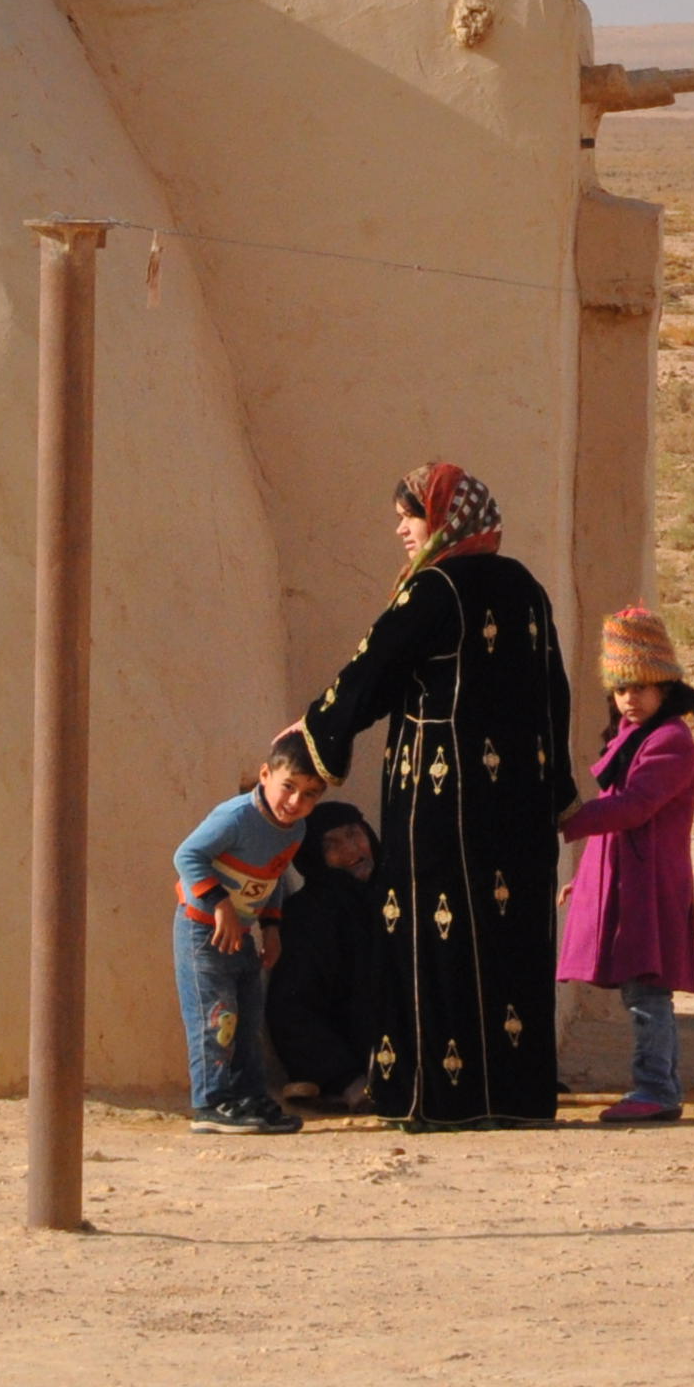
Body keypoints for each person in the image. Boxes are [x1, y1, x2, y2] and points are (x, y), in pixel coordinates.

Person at [288, 461, 576, 1128]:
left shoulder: (436, 587)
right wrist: (556, 790)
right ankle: (514, 1096)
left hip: (442, 804)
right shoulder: (526, 588)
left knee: (431, 934)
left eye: (410, 516)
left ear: (444, 519)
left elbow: (373, 670)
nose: (400, 529)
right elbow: (552, 695)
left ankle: (438, 1098)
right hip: (517, 807)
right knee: (508, 939)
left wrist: (315, 731)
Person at [558, 607, 694, 1127]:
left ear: (665, 686)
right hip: (625, 882)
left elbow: (633, 807)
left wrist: (562, 823)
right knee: (640, 991)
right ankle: (659, 1085)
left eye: (642, 687)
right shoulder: (628, 736)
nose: (631, 697)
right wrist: (583, 879)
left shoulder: (670, 741)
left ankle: (656, 1088)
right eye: (623, 688)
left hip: (649, 887)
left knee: (647, 992)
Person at [174, 747, 326, 1135]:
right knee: (217, 1019)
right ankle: (211, 1103)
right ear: (264, 775)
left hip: (242, 935)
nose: (295, 801)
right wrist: (219, 904)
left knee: (247, 1020)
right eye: (288, 786)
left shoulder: (295, 830)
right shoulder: (236, 816)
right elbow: (188, 855)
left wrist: (271, 929)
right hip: (203, 931)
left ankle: (248, 1097)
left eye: (310, 794)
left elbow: (272, 878)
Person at [267, 798, 384, 1108]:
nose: (352, 850)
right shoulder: (308, 915)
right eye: (332, 843)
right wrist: (345, 1078)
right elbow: (293, 1009)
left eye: (354, 834)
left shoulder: (396, 897)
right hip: (353, 1061)